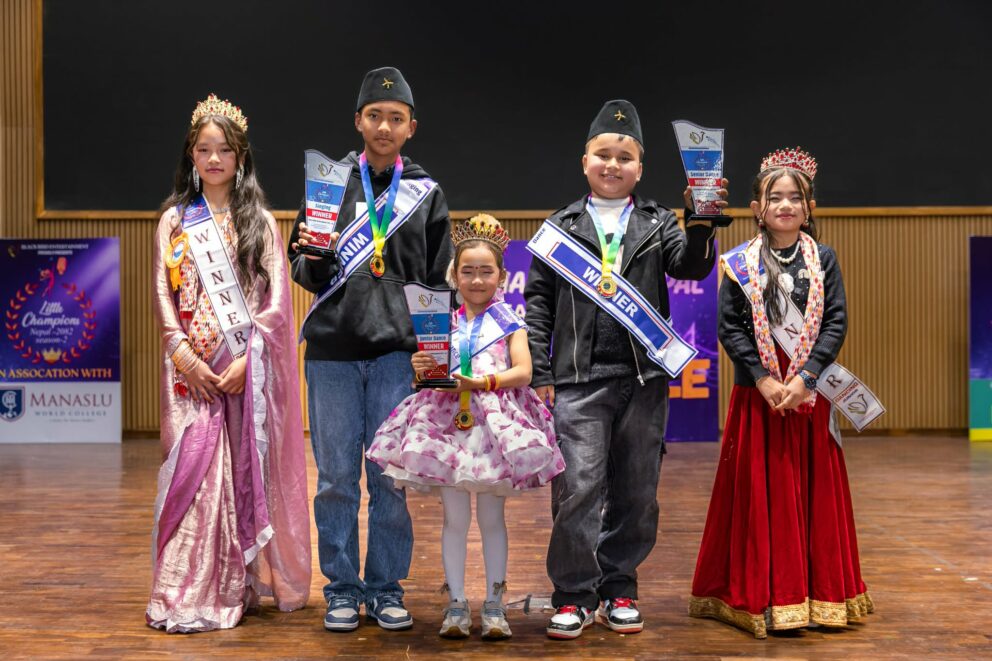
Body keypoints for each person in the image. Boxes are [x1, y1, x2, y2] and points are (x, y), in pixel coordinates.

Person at [524, 100, 724, 639]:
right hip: (577, 381)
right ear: (584, 161)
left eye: (625, 157)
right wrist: (542, 373)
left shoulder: (660, 222)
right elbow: (538, 305)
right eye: (603, 155)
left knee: (638, 492)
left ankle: (619, 587)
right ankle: (573, 594)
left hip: (643, 381)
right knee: (577, 489)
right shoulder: (559, 227)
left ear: (640, 167)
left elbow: (691, 267)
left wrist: (700, 223)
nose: (612, 164)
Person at [289, 66, 454, 632]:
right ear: (358, 120)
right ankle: (340, 589)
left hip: (395, 358)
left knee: (389, 479)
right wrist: (315, 259)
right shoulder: (330, 184)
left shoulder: (426, 194)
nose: (385, 126)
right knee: (336, 479)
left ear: (411, 127)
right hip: (332, 354)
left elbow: (437, 282)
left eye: (396, 118)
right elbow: (304, 268)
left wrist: (436, 359)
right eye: (375, 116)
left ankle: (385, 587)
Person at [688, 147, 873, 638]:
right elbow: (730, 328)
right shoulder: (740, 264)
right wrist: (763, 378)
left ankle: (819, 594)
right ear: (757, 207)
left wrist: (806, 377)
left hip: (808, 393)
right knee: (758, 492)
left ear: (809, 208)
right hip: (761, 394)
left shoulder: (824, 259)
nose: (785, 205)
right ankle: (764, 594)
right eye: (775, 197)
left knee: (814, 493)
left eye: (795, 197)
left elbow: (835, 322)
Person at [147, 93, 311, 632]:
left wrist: (249, 360)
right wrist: (183, 356)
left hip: (242, 370)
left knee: (240, 477)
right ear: (190, 156)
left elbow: (277, 304)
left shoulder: (259, 221)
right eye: (203, 149)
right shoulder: (174, 221)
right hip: (190, 375)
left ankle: (235, 583)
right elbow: (163, 296)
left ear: (240, 157)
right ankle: (182, 588)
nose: (213, 159)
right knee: (191, 478)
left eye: (224, 149)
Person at [367, 215, 564, 640]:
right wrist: (421, 367)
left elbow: (525, 372)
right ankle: (456, 603)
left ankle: (494, 604)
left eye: (486, 271)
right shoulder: (440, 322)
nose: (477, 280)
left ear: (502, 277)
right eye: (468, 271)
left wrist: (482, 383)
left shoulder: (510, 321)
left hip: (493, 426)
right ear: (454, 275)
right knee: (454, 520)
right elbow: (428, 375)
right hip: (446, 427)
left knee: (492, 519)